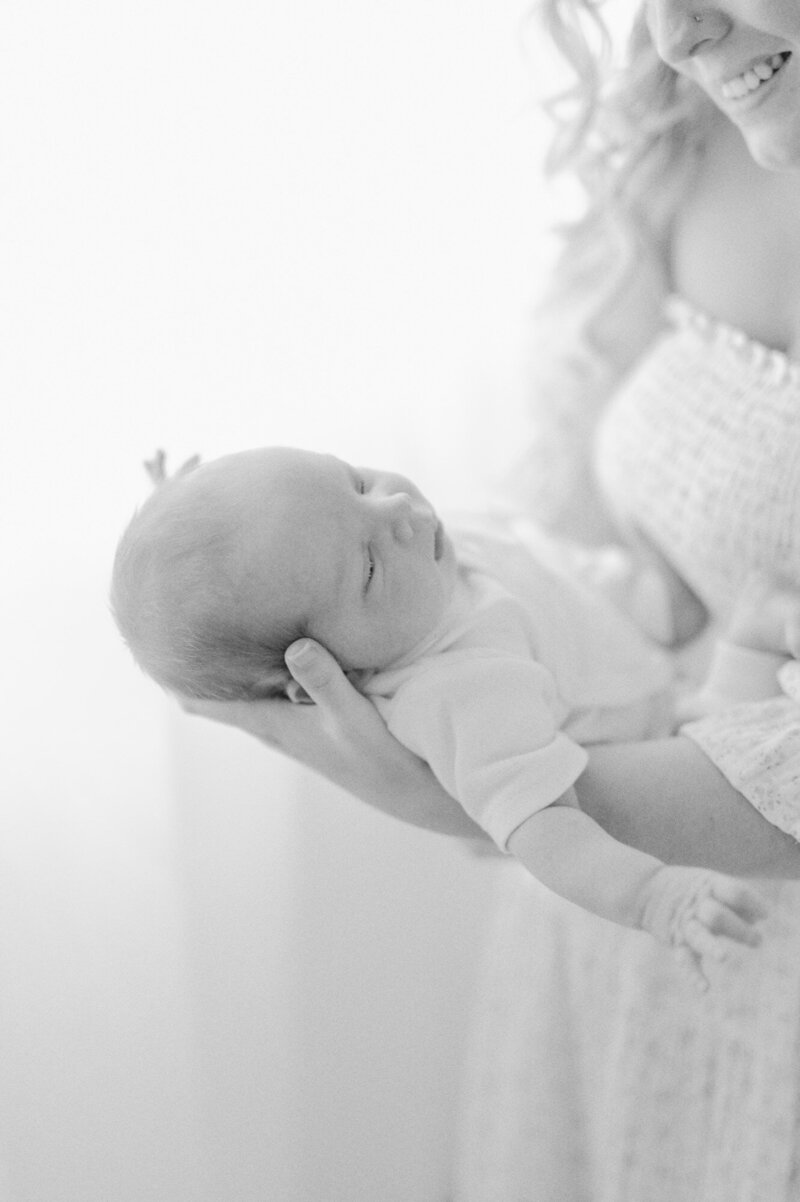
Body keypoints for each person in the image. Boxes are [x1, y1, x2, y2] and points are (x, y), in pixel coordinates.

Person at [177, 1, 800, 1197]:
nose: (668, 31)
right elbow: (611, 525)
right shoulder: (692, 117)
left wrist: (473, 794)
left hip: (715, 920)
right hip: (619, 948)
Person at [114, 446, 800, 981]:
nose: (396, 512)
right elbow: (548, 833)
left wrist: (181, 500)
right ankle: (750, 638)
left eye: (352, 479)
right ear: (320, 672)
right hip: (661, 735)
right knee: (723, 727)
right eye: (369, 567)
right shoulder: (452, 695)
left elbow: (534, 565)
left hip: (615, 640)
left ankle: (671, 607)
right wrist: (656, 899)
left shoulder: (408, 564)